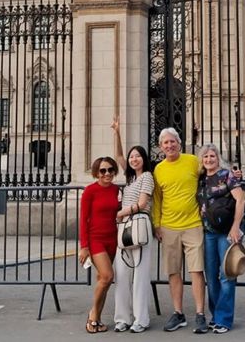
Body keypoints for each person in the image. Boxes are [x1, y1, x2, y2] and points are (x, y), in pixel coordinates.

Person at [151, 127, 209, 334]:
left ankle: (200, 314)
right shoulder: (159, 169)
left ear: (179, 143)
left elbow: (212, 170)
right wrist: (156, 224)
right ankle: (178, 313)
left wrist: (233, 174)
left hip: (193, 224)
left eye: (172, 141)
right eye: (165, 143)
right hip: (168, 227)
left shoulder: (193, 161)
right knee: (173, 272)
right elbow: (157, 199)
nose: (169, 145)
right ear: (161, 147)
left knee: (196, 270)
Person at [110, 117, 156, 333]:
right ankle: (122, 317)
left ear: (144, 159)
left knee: (140, 275)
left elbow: (143, 203)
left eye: (137, 156)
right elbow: (118, 156)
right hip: (125, 228)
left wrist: (121, 212)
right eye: (131, 156)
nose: (133, 159)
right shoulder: (129, 179)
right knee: (121, 274)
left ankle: (141, 319)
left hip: (139, 225)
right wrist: (117, 132)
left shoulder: (147, 176)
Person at [197, 144, 245, 334]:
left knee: (227, 275)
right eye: (206, 156)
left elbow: (241, 199)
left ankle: (224, 319)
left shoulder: (227, 175)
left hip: (227, 232)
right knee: (211, 276)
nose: (209, 159)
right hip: (208, 232)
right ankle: (216, 315)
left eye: (212, 156)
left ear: (218, 158)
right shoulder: (200, 179)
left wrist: (235, 227)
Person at [79, 156, 120, 333]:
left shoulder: (116, 190)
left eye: (110, 169)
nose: (107, 173)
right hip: (95, 240)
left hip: (113, 238)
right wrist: (84, 246)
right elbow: (83, 219)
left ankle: (97, 318)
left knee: (103, 280)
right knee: (107, 276)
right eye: (103, 170)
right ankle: (93, 315)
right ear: (96, 172)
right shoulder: (90, 191)